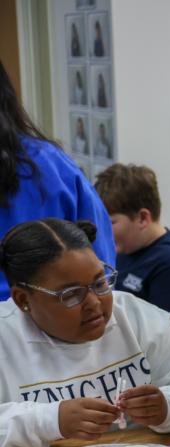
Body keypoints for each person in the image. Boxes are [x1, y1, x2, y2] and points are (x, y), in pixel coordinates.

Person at [0, 218, 170, 447]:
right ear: (23, 300)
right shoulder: (6, 338)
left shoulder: (134, 316)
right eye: (71, 295)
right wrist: (51, 421)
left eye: (100, 283)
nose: (95, 303)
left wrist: (167, 406)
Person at [0, 62, 116, 299]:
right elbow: (101, 269)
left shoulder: (48, 166)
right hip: (55, 320)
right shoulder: (49, 164)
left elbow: (98, 268)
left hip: (49, 320)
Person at [95, 164, 170, 350]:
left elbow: (167, 345)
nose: (103, 230)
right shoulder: (127, 250)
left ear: (142, 218)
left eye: (111, 222)